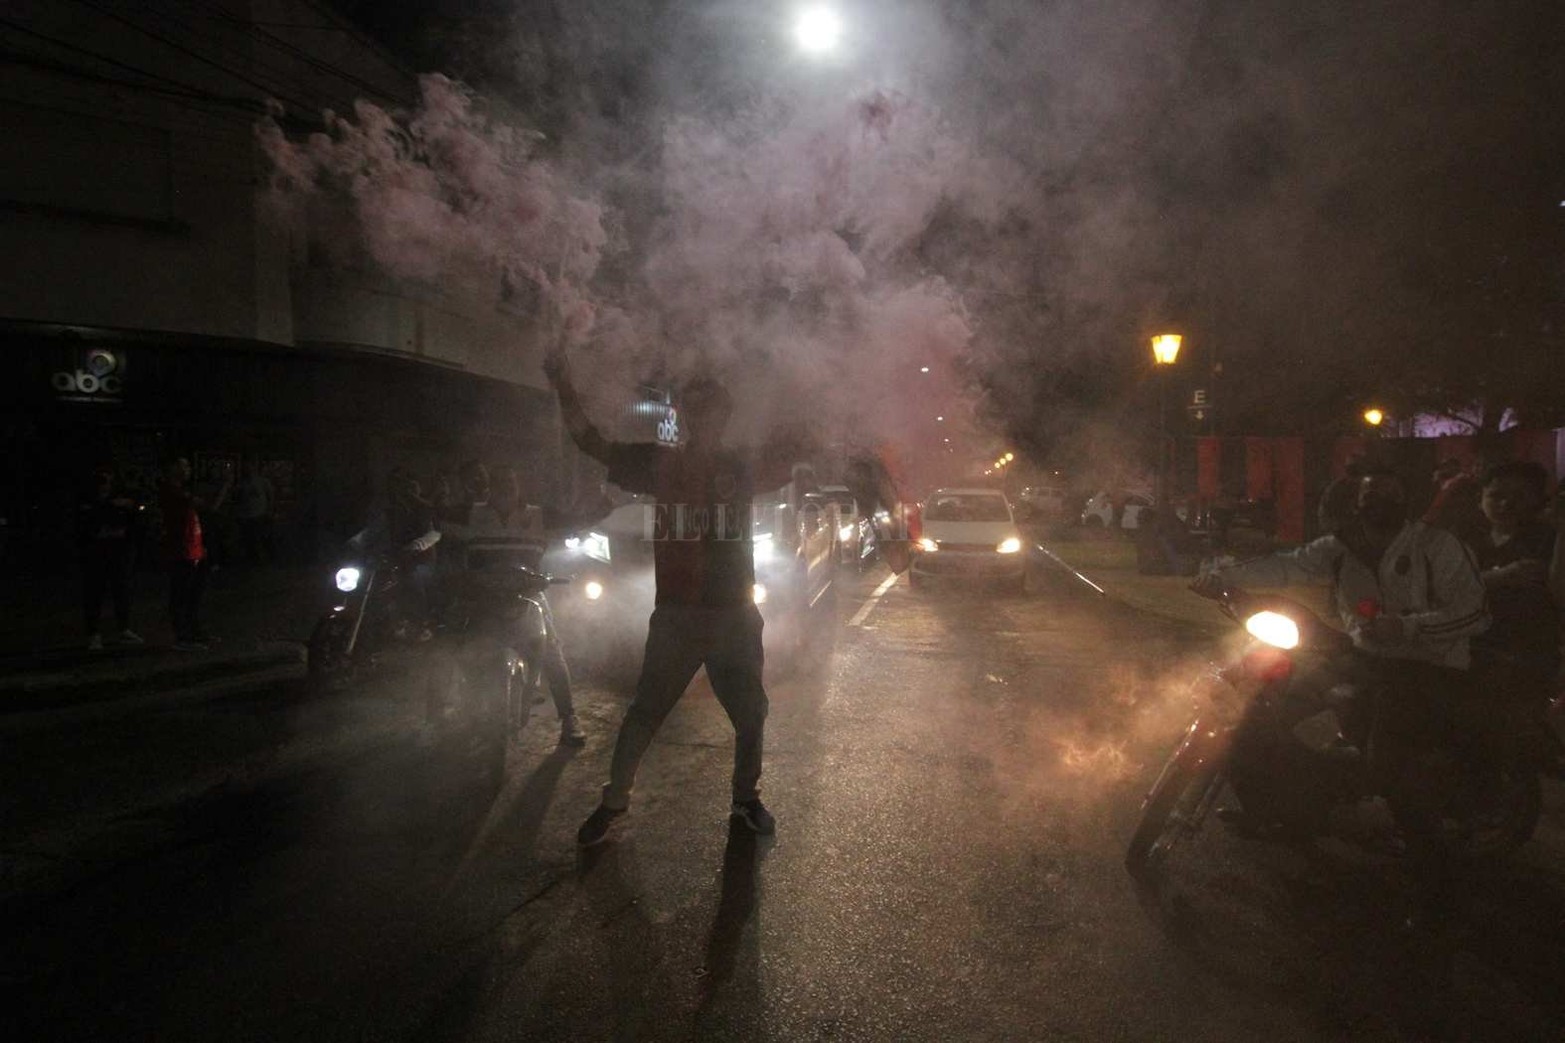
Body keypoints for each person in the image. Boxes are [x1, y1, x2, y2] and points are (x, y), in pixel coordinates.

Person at [546, 342, 805, 845]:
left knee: (751, 713)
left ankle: (746, 800)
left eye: (715, 409)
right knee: (645, 712)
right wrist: (563, 384)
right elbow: (588, 441)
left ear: (724, 416)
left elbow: (795, 451)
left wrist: (812, 387)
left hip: (733, 615)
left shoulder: (742, 466)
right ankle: (614, 801)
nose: (707, 417)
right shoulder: (659, 464)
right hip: (678, 617)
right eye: (698, 409)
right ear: (686, 416)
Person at [1193, 468, 1489, 859]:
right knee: (1258, 708)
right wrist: (1220, 576)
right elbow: (1286, 565)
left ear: (1404, 505)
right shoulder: (1338, 549)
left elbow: (1475, 614)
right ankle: (1276, 809)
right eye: (1365, 501)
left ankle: (1428, 864)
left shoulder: (1437, 547)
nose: (1372, 509)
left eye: (1385, 498)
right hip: (1366, 657)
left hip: (1428, 666)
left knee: (1389, 759)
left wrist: (1408, 628)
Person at [442, 463, 586, 745]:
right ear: (490, 490)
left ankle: (569, 718)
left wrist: (607, 502)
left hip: (529, 596)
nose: (506, 489)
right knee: (453, 647)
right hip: (483, 599)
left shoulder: (537, 516)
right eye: (500, 484)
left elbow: (578, 519)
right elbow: (434, 517)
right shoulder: (472, 514)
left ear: (519, 486)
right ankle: (450, 712)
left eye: (511, 483)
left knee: (551, 652)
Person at [1470, 462, 1558, 700]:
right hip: (1470, 653)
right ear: (1481, 499)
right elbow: (1442, 586)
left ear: (1538, 500)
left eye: (1519, 496)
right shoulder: (1466, 538)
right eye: (1496, 495)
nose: (1506, 504)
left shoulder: (1548, 540)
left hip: (1527, 658)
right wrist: (1502, 576)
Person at [161, 457, 231, 650]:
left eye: (187, 464)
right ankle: (182, 637)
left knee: (194, 594)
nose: (188, 469)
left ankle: (194, 632)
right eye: (183, 465)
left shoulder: (181, 491)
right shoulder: (172, 491)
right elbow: (208, 507)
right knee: (182, 594)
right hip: (182, 551)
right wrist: (225, 486)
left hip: (194, 549)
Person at [78, 463, 143, 650]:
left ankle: (123, 628)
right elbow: (86, 523)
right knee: (94, 592)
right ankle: (93, 633)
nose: (105, 483)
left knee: (121, 590)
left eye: (108, 479)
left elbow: (133, 516)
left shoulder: (119, 498)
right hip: (96, 553)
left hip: (118, 551)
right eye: (102, 479)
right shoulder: (89, 500)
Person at [234, 461, 276, 566]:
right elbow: (237, 498)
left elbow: (271, 496)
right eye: (246, 467)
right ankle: (251, 560)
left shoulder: (263, 481)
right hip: (245, 515)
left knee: (259, 538)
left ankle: (261, 560)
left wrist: (270, 511)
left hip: (259, 514)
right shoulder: (242, 483)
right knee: (248, 539)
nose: (248, 469)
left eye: (250, 466)